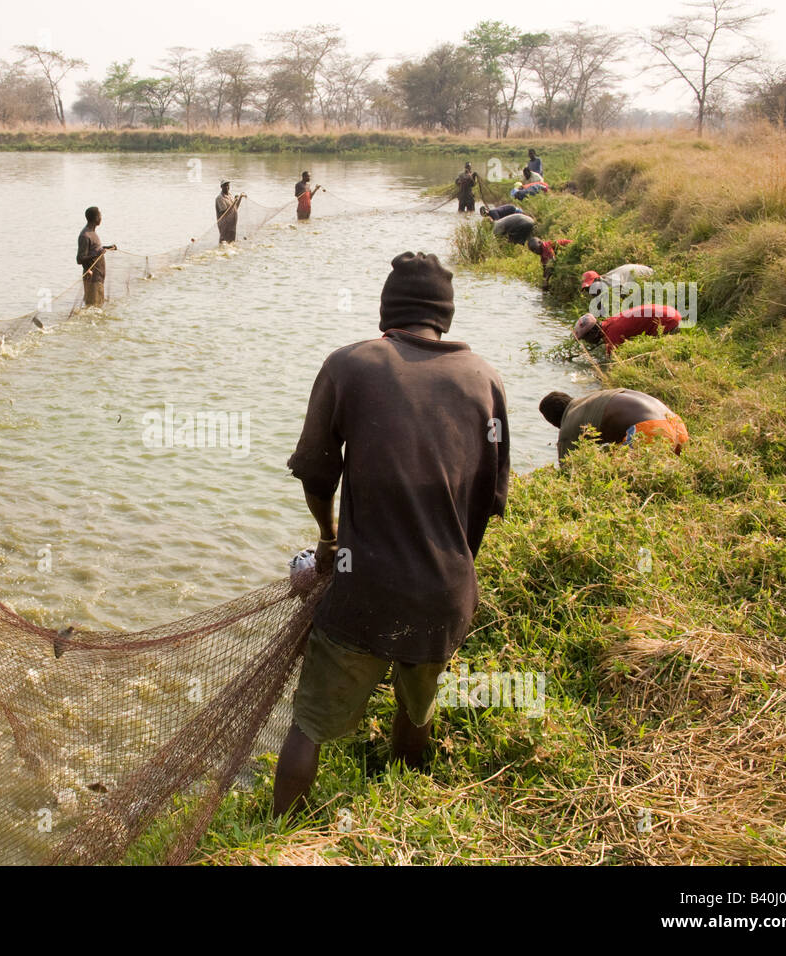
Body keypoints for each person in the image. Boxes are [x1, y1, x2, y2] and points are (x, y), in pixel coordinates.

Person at [273, 252, 510, 817]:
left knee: (308, 727)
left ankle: (276, 838)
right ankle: (402, 808)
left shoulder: (350, 365)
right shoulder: (485, 379)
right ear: (444, 317)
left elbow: (314, 472)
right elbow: (487, 500)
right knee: (418, 706)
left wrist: (329, 542)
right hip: (446, 593)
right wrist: (452, 572)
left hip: (365, 590)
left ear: (387, 312)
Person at [540, 388, 689, 462]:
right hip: (677, 425)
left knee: (616, 476)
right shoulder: (590, 400)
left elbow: (569, 472)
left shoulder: (568, 423)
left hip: (649, 431)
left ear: (554, 422)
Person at [572, 304, 682, 350]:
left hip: (669, 321)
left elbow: (614, 362)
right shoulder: (609, 322)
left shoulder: (612, 334)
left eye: (586, 338)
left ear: (592, 332)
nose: (587, 341)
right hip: (670, 312)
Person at [76, 206, 117, 306]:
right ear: (95, 218)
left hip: (98, 278)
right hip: (92, 280)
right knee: (92, 307)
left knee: (97, 307)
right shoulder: (85, 235)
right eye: (99, 215)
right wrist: (96, 254)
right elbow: (79, 259)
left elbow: (93, 250)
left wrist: (106, 247)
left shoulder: (92, 233)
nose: (101, 218)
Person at [581, 264, 655, 300]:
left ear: (597, 281)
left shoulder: (612, 282)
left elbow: (626, 298)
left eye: (590, 288)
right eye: (587, 290)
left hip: (650, 274)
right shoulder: (607, 280)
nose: (590, 292)